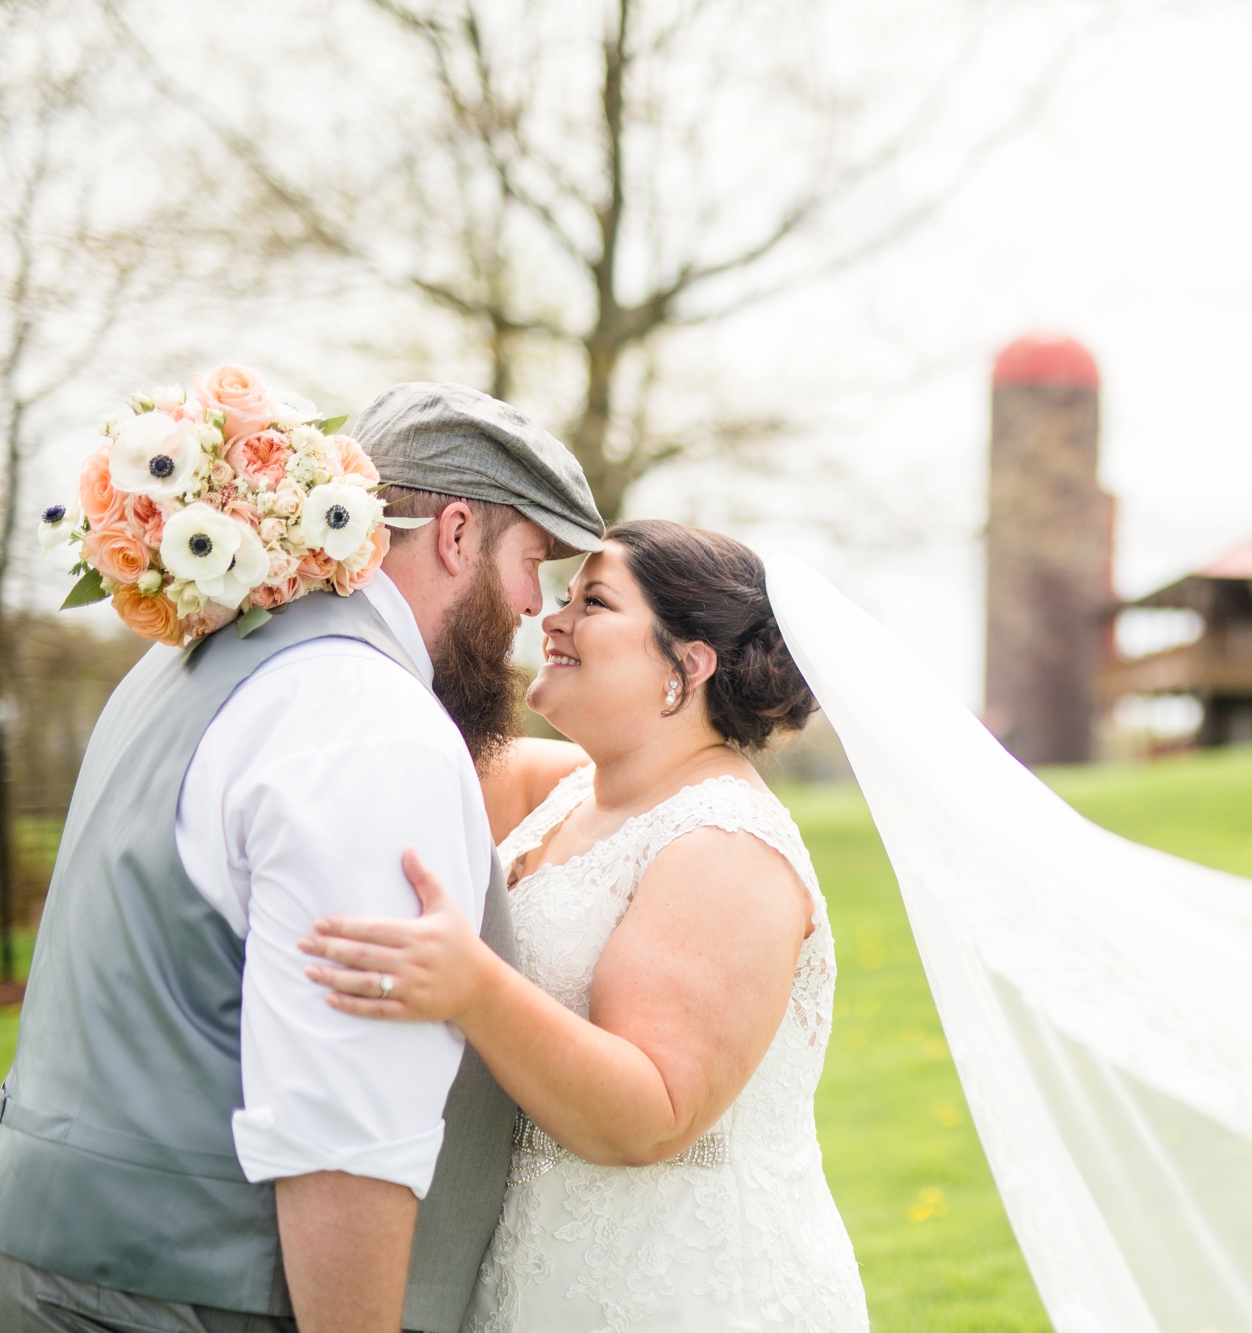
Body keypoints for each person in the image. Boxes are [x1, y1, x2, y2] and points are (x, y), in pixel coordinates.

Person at [0, 381, 605, 1333]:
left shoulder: (179, 669)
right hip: (202, 1298)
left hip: (47, 1264)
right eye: (534, 561)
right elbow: (345, 1124)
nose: (536, 606)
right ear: (455, 533)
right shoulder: (368, 718)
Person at [301, 521, 868, 1332]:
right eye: (562, 595)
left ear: (688, 665)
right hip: (539, 1281)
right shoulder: (574, 792)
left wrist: (472, 986)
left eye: (592, 602)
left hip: (683, 1292)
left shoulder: (726, 845)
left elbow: (654, 1111)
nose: (551, 620)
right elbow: (410, 751)